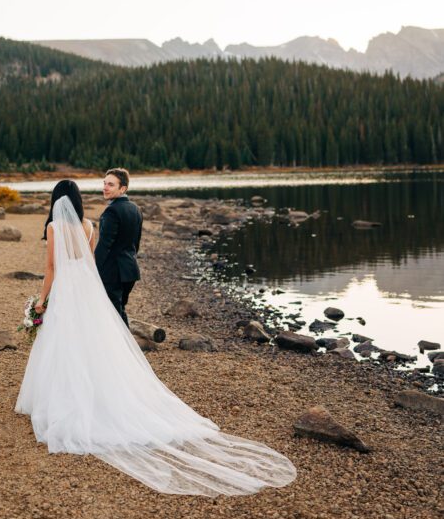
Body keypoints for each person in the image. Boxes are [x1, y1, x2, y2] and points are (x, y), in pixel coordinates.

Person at [15, 180, 296, 498]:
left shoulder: (54, 227)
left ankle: (64, 400)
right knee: (93, 343)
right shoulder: (88, 224)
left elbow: (52, 267)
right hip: (86, 288)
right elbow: (91, 263)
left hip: (67, 288)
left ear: (56, 200)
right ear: (78, 200)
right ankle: (98, 394)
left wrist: (41, 300)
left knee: (65, 343)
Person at [94, 167, 143, 327]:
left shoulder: (111, 212)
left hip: (112, 272)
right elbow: (136, 244)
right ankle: (125, 348)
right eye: (105, 183)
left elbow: (104, 246)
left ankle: (125, 350)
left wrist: (94, 270)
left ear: (123, 188)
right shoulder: (135, 209)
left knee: (113, 314)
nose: (105, 188)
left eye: (111, 185)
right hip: (130, 270)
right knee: (119, 310)